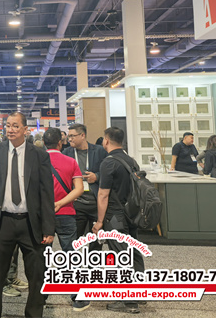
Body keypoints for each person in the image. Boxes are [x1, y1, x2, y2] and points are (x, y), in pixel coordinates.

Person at [0, 112, 54, 318]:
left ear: (25, 130)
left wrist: (49, 228)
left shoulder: (39, 155)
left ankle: (33, 314)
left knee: (36, 274)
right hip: (3, 221)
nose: (10, 130)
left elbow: (46, 193)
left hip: (31, 223)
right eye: (8, 126)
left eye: (15, 126)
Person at [92, 127, 145, 314]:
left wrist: (99, 222)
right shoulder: (131, 161)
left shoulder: (108, 163)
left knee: (121, 255)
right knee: (134, 253)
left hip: (115, 217)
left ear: (106, 141)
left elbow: (103, 194)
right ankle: (138, 293)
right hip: (132, 214)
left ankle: (128, 302)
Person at [43, 127, 89, 312]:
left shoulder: (37, 161)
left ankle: (40, 296)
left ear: (43, 143)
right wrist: (61, 203)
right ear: (60, 143)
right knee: (70, 254)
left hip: (42, 215)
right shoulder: (71, 161)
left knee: (42, 255)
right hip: (66, 212)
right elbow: (79, 189)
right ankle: (78, 297)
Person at [63, 123, 106, 241]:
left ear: (82, 135)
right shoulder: (66, 153)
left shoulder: (99, 151)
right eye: (69, 136)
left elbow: (108, 172)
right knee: (73, 240)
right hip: (76, 202)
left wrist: (97, 176)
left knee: (96, 241)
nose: (69, 139)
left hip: (95, 201)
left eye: (72, 136)